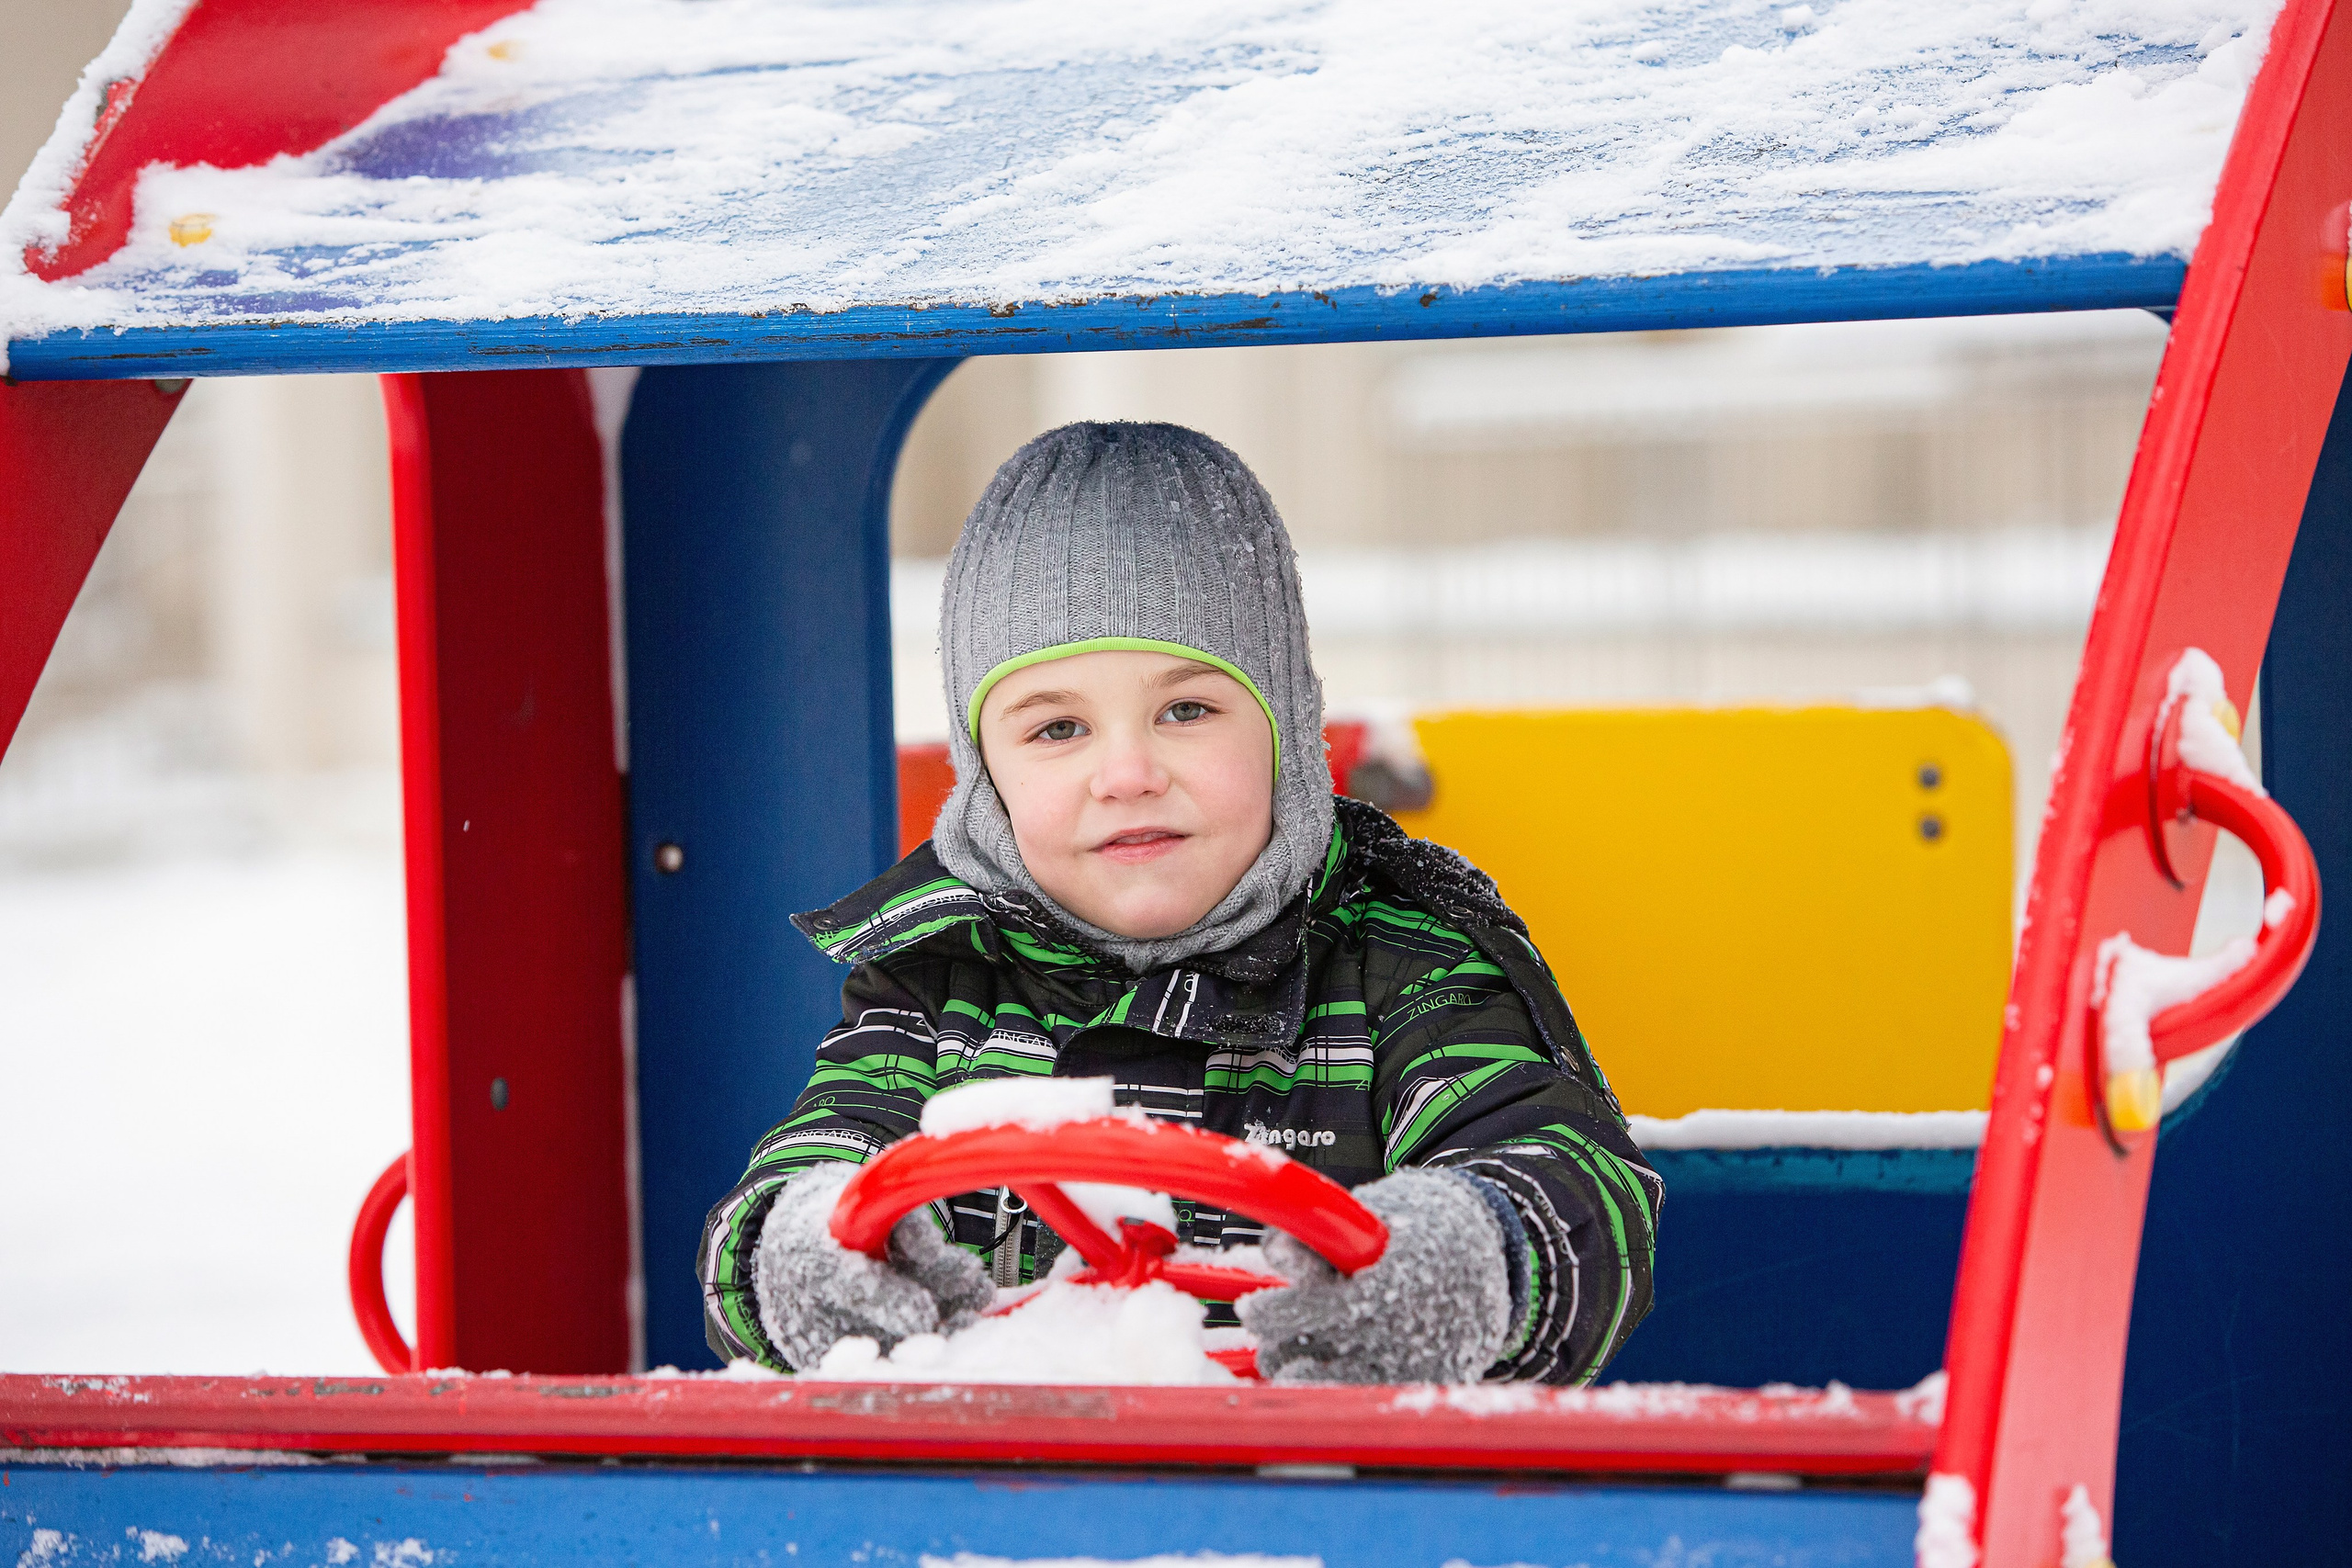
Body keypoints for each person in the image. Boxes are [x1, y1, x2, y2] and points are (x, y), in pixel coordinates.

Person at [699, 422, 1658, 1385]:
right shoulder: (932, 983)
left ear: (1285, 729)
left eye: (1186, 711)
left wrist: (1472, 1257)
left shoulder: (1405, 964)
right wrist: (799, 1257)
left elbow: (1566, 1179)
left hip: (1320, 1511)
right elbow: (810, 1171)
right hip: (996, 1510)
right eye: (1058, 727)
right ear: (983, 773)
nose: (1126, 772)